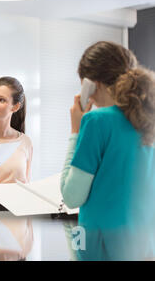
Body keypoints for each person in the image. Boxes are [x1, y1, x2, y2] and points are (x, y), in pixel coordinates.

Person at [60, 41, 155, 260]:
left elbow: (72, 196)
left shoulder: (96, 121)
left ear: (92, 84)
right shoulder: (148, 120)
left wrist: (75, 129)